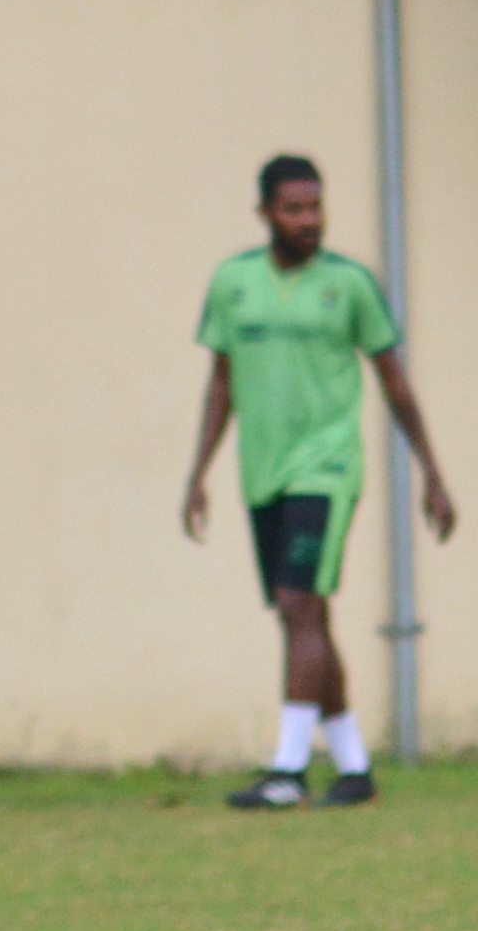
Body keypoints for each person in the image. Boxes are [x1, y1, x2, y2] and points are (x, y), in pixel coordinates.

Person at [182, 156, 455, 810]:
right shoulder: (233, 282)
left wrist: (432, 472)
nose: (308, 220)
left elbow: (395, 382)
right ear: (266, 213)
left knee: (298, 602)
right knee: (301, 613)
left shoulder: (350, 285)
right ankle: (355, 767)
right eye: (293, 209)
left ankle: (288, 770)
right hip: (263, 472)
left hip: (326, 469)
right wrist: (197, 473)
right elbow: (221, 382)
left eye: (316, 207)